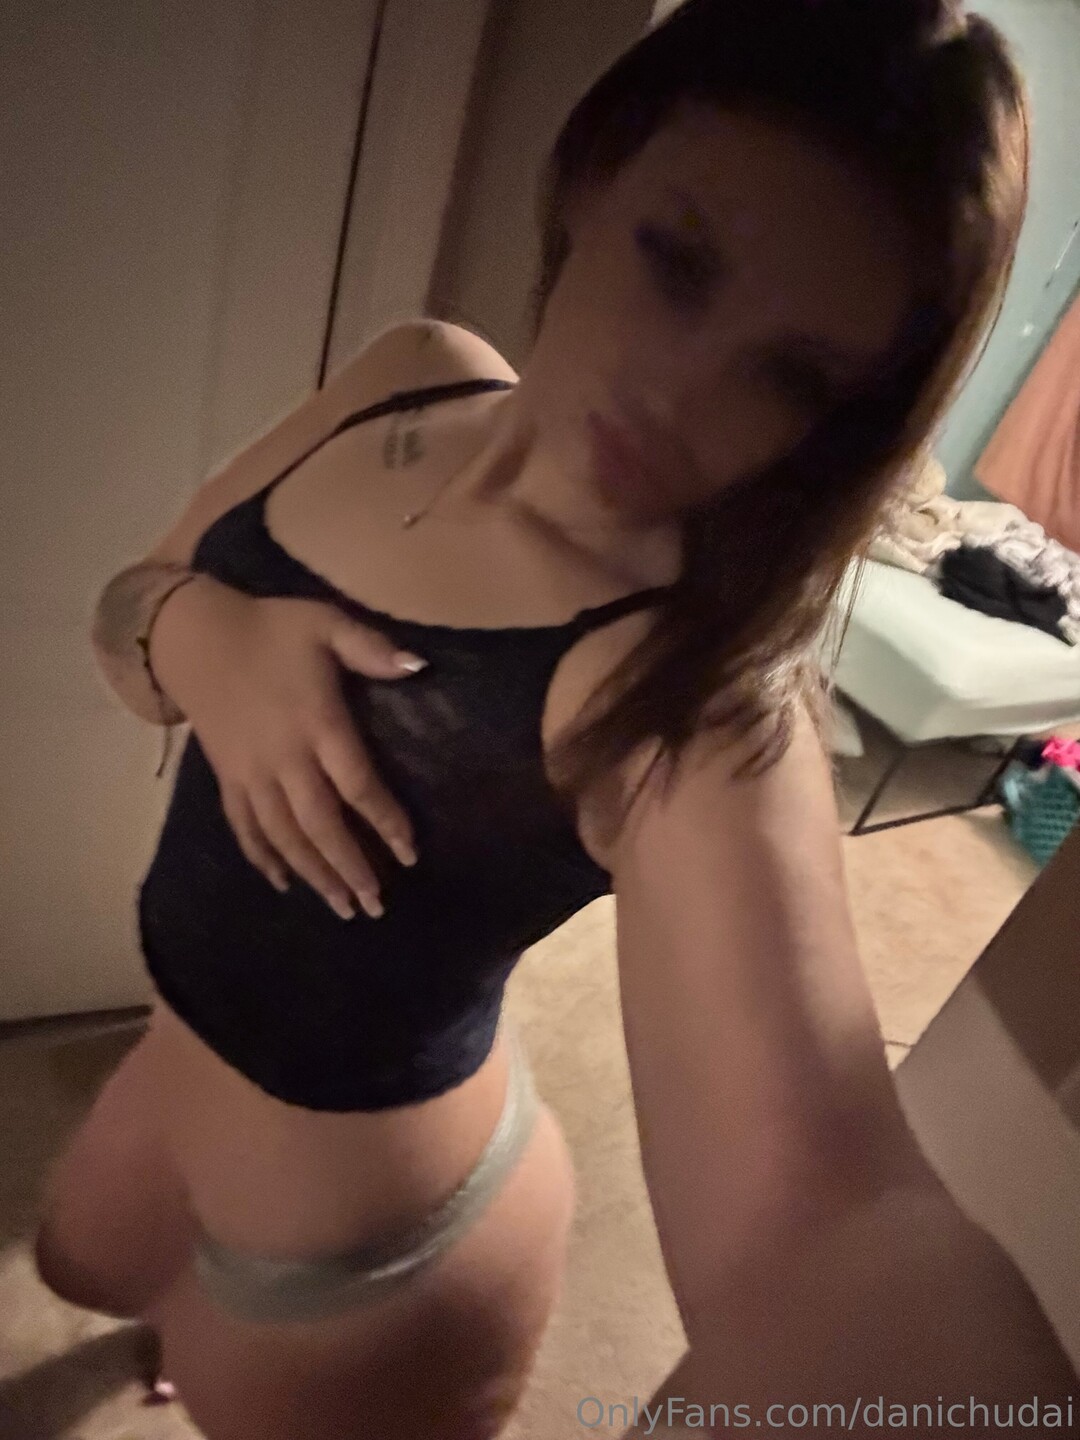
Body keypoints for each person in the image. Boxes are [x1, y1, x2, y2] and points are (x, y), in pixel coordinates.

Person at [34, 1, 1077, 1435]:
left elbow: (824, 1222)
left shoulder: (687, 702)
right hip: (164, 1072)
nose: (682, 390)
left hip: (361, 1279)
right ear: (595, 171)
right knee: (73, 1260)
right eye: (678, 262)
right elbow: (130, 616)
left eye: (792, 374)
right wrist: (198, 631)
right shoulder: (415, 371)